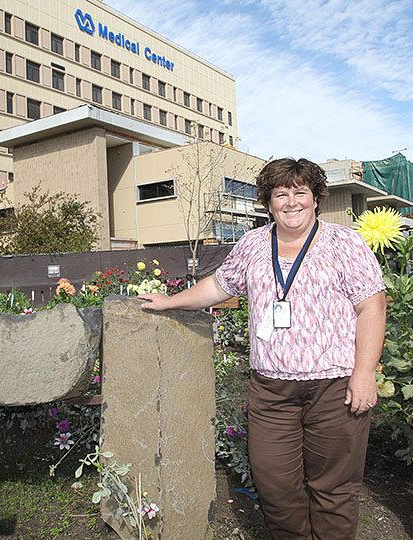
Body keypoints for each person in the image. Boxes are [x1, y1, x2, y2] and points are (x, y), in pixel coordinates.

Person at [138, 157, 386, 540]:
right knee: (275, 485)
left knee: (334, 487)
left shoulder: (345, 243)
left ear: (315, 198)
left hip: (334, 388)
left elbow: (372, 306)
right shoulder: (254, 244)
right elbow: (218, 286)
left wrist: (364, 372)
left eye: (300, 192)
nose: (291, 202)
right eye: (280, 194)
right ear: (268, 202)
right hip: (272, 393)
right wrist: (170, 302)